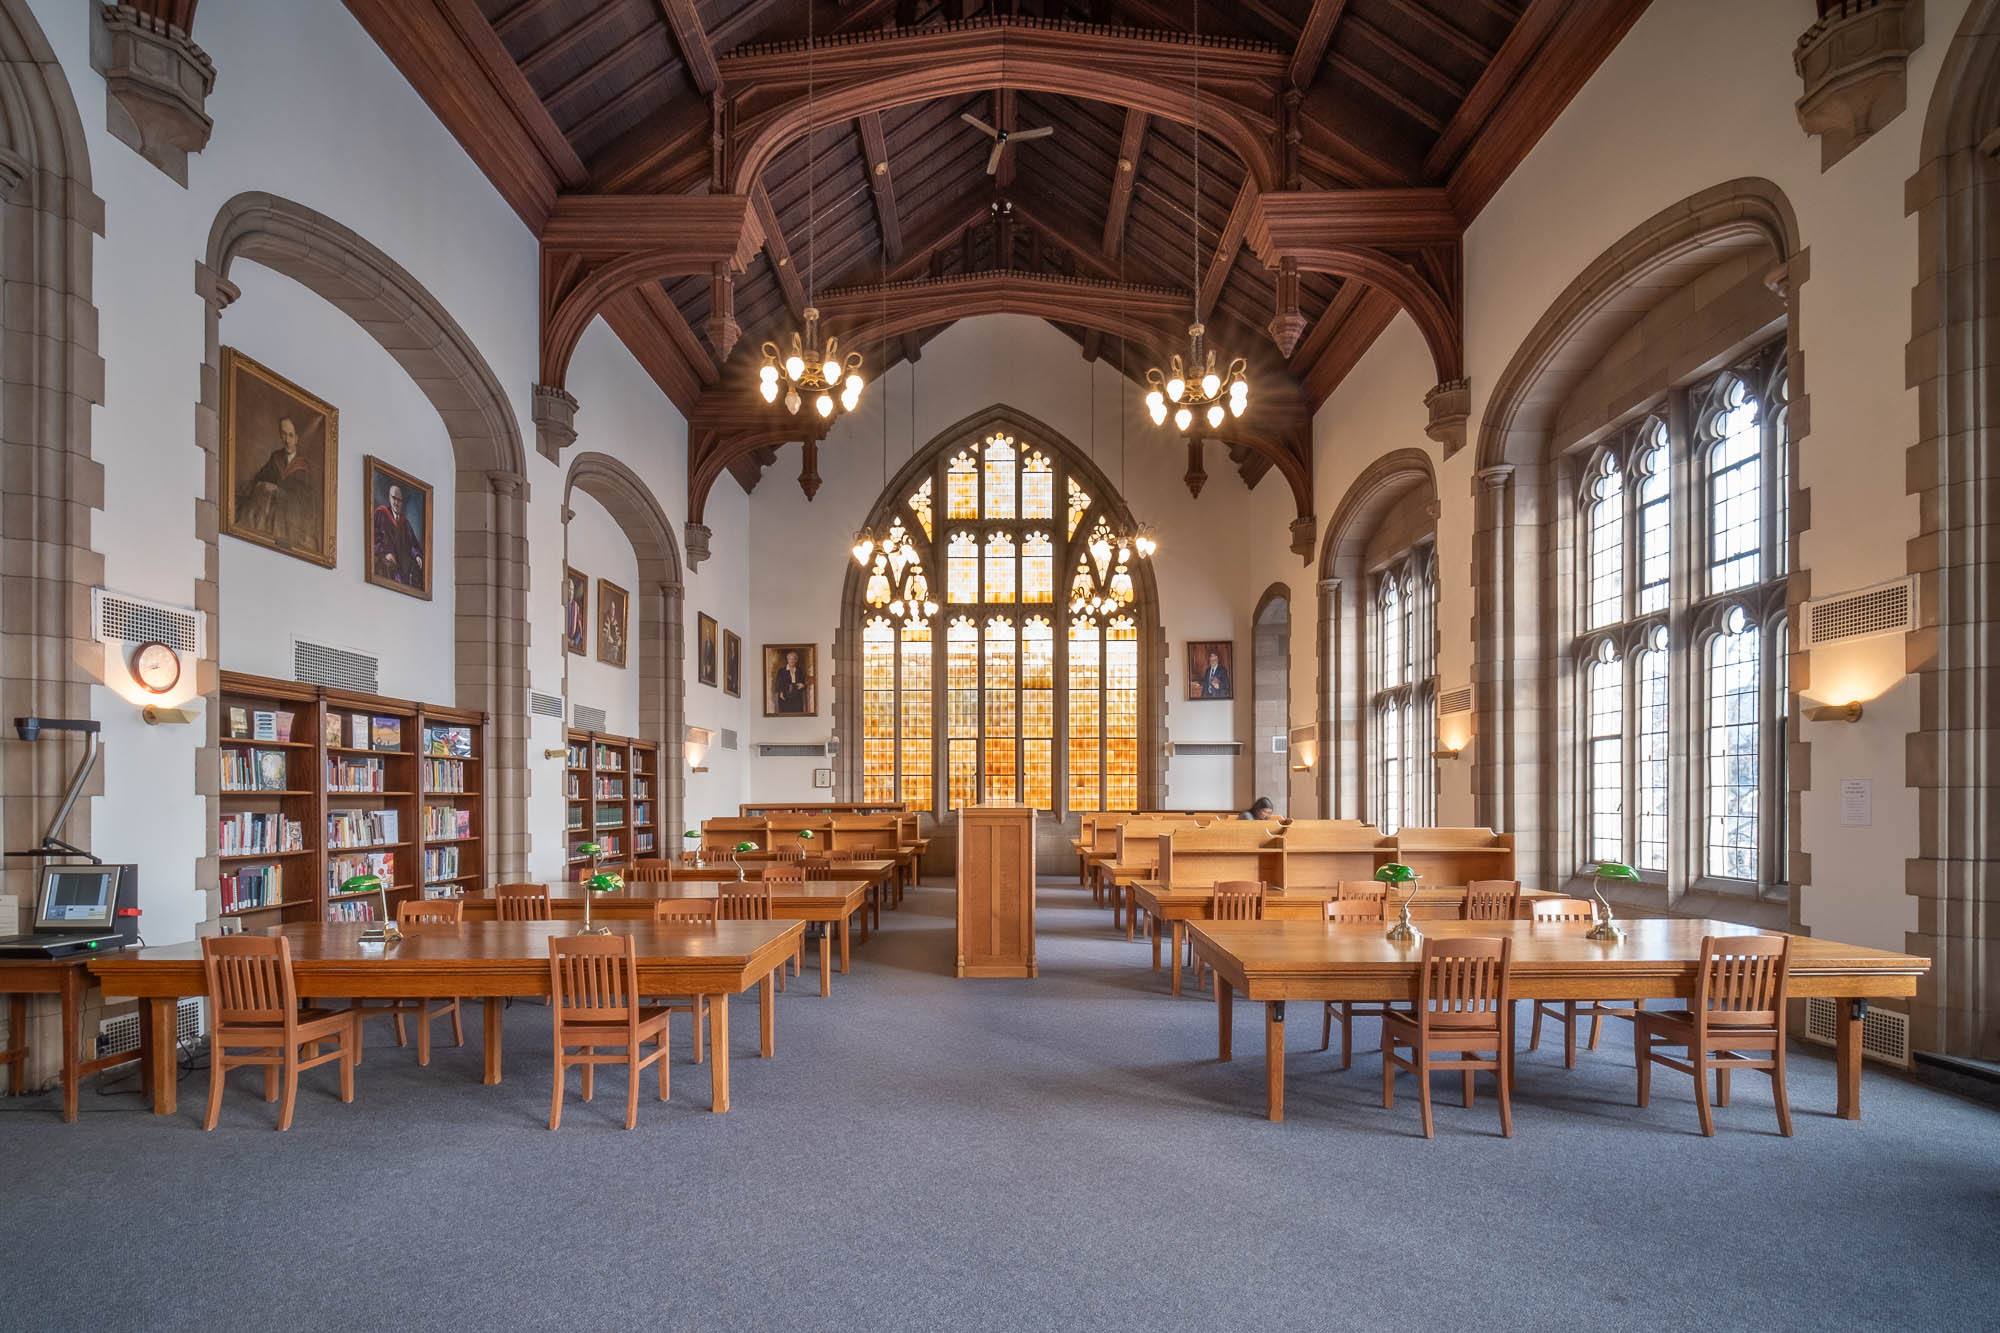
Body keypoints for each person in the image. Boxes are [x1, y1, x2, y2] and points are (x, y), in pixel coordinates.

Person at [238, 416, 319, 553]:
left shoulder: (303, 468)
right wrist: (262, 486)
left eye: (290, 435)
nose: (286, 440)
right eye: (283, 434)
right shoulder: (275, 458)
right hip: (268, 508)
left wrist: (278, 491)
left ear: (297, 438)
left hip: (290, 516)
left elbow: (304, 502)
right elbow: (259, 478)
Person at [371, 482, 424, 588]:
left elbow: (412, 544)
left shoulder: (405, 523)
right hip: (385, 566)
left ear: (402, 502)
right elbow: (374, 539)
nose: (396, 503)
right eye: (394, 498)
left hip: (401, 568)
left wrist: (417, 555)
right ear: (389, 498)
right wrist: (385, 553)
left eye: (399, 500)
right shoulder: (380, 514)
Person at [772, 649, 809, 714]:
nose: (791, 661)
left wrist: (802, 685)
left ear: (796, 660)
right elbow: (778, 683)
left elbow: (803, 681)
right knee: (786, 713)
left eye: (793, 659)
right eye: (790, 659)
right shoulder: (782, 671)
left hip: (797, 695)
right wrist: (781, 692)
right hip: (785, 694)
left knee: (798, 713)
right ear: (787, 660)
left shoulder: (799, 670)